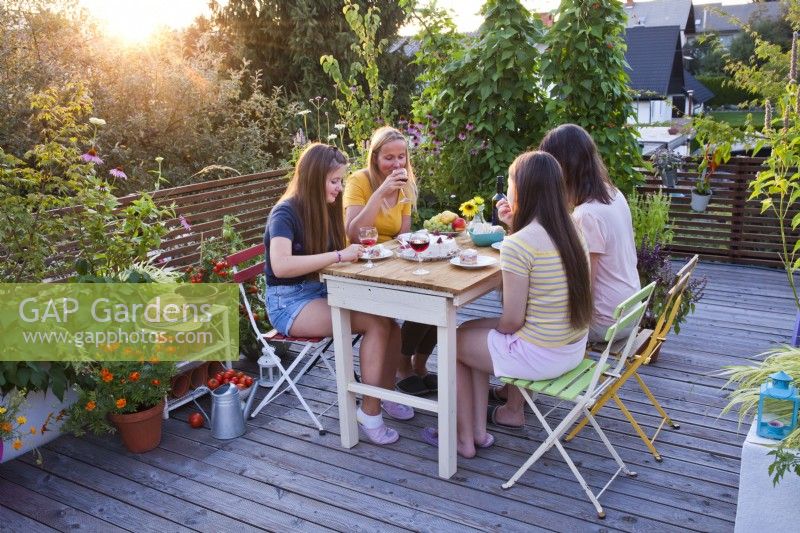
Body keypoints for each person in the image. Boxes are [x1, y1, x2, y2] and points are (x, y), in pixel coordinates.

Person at [421, 151, 593, 458]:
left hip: (541, 355)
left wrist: (498, 332)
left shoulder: (519, 243)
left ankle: (464, 439)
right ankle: (477, 433)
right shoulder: (572, 230)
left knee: (453, 342)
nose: (508, 190)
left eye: (511, 182)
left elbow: (512, 320)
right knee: (467, 331)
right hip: (571, 348)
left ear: (522, 190)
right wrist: (514, 226)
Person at [488, 124, 641, 429]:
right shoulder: (611, 195)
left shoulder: (586, 216)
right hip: (628, 309)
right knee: (532, 299)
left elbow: (581, 284)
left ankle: (515, 404)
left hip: (600, 318)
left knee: (527, 308)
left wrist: (518, 239)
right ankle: (511, 386)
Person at [264, 142, 413, 445]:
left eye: (341, 180)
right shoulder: (285, 212)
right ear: (313, 178)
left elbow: (345, 247)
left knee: (389, 324)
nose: (339, 187)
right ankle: (369, 413)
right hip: (289, 302)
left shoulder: (327, 209)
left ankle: (384, 394)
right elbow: (280, 266)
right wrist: (340, 256)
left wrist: (349, 254)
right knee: (374, 324)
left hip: (321, 290)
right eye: (334, 181)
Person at [343, 126, 438, 396]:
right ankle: (401, 368)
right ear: (375, 158)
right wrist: (381, 193)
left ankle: (419, 366)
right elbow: (354, 233)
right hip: (362, 264)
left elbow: (403, 233)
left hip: (392, 260)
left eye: (401, 157)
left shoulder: (405, 183)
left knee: (436, 296)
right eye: (389, 158)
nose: (396, 164)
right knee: (420, 301)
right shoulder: (358, 181)